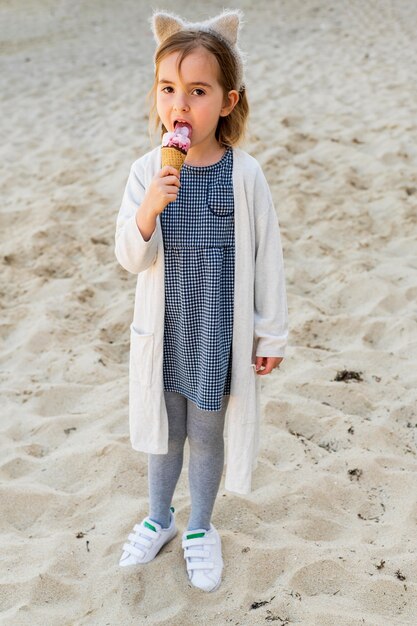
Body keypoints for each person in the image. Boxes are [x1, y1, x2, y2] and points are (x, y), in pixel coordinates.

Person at [115, 9, 288, 592]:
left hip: (219, 332)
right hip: (166, 331)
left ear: (228, 101)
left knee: (208, 434)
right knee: (163, 431)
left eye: (198, 91)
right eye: (169, 89)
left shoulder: (245, 174)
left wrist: (270, 335)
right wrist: (150, 210)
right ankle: (158, 516)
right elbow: (129, 257)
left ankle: (199, 527)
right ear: (155, 96)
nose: (180, 105)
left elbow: (267, 260)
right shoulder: (147, 171)